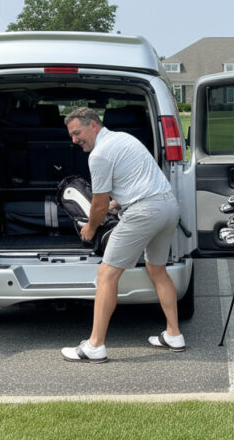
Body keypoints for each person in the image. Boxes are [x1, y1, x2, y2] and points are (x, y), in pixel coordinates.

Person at [60, 107, 183, 363]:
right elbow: (134, 181)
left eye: (77, 133)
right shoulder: (124, 138)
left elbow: (99, 205)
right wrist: (119, 203)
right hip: (168, 206)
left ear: (93, 125)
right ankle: (174, 334)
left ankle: (95, 346)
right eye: (71, 135)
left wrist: (90, 228)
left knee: (106, 274)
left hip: (144, 212)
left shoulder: (99, 155)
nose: (74, 140)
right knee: (157, 269)